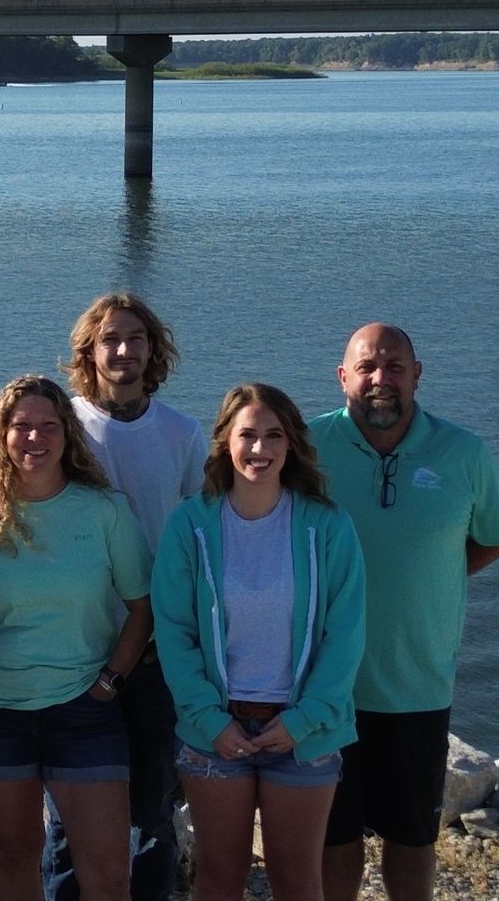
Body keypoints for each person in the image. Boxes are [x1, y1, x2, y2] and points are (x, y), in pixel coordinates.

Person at [313, 323, 499, 901]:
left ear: (417, 375)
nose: (382, 380)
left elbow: (496, 537)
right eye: (368, 367)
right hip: (327, 687)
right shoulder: (305, 447)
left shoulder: (464, 453)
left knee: (412, 837)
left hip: (418, 687)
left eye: (395, 367)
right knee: (334, 836)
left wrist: (437, 576)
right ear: (343, 377)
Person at [0, 375, 151, 901]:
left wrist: (109, 683)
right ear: (0, 436)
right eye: (21, 426)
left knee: (108, 874)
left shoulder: (105, 511)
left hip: (85, 712)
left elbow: (143, 610)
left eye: (49, 426)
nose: (35, 438)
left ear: (68, 436)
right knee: (15, 855)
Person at [152, 383, 365, 901]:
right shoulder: (190, 523)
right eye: (248, 435)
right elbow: (173, 632)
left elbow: (346, 633)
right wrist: (209, 721)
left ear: (291, 444)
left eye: (274, 436)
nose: (259, 449)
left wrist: (303, 719)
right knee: (219, 878)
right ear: (225, 441)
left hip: (303, 737)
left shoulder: (327, 524)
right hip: (215, 735)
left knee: (297, 882)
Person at [55, 292, 206, 901]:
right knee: (68, 816)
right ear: (88, 351)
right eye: (110, 339)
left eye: (135, 338)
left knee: (152, 812)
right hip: (74, 649)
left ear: (153, 349)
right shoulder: (58, 428)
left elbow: (202, 536)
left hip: (155, 654)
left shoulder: (182, 434)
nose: (123, 350)